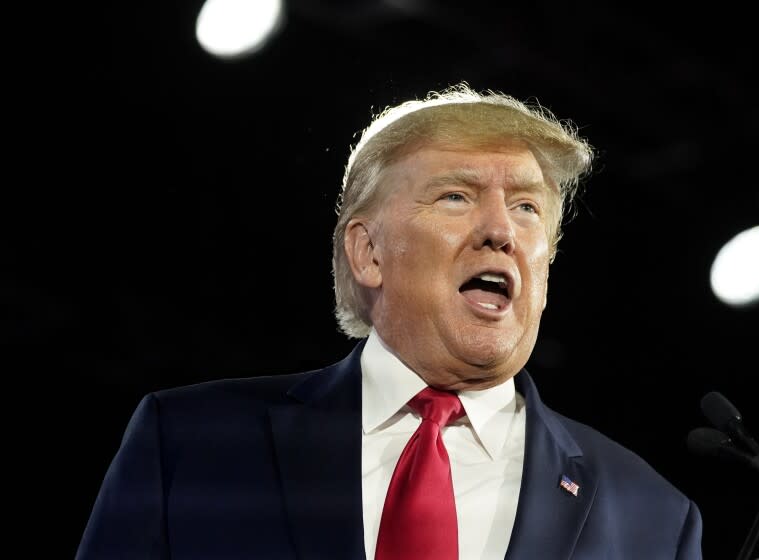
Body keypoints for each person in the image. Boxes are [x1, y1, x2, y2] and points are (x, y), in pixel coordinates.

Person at [76, 83, 703, 559]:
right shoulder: (190, 444)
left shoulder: (652, 518)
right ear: (368, 252)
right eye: (456, 196)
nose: (499, 231)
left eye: (527, 207)